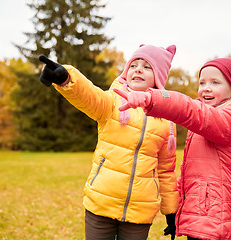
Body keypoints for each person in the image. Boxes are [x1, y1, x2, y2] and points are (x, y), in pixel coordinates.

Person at [38, 44, 180, 240]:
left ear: (160, 77)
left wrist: (171, 211)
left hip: (140, 210)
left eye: (147, 67)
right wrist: (66, 77)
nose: (138, 69)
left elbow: (165, 170)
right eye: (133, 65)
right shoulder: (112, 102)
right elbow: (88, 95)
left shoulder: (165, 119)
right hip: (101, 202)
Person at [114, 58, 231, 239]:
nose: (206, 87)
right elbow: (191, 174)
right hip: (202, 212)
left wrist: (152, 98)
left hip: (216, 215)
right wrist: (177, 212)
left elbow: (191, 110)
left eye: (215, 82)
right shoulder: (206, 119)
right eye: (202, 82)